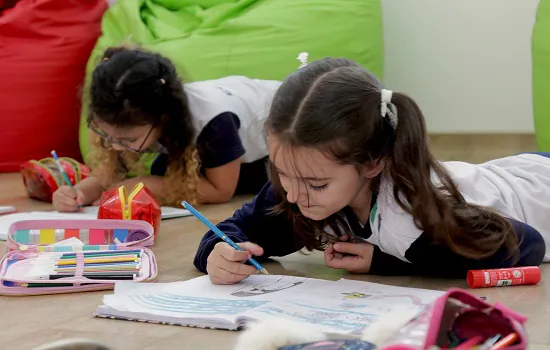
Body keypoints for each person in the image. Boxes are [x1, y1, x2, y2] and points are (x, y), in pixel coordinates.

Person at [193, 57, 548, 285]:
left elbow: (525, 245)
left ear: (373, 163)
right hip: (516, 172)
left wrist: (390, 262)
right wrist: (217, 252)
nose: (295, 194)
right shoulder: (302, 185)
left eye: (316, 184)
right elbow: (238, 229)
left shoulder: (411, 215)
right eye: (282, 172)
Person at [52, 47, 281, 211]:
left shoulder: (216, 122)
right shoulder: (129, 121)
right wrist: (80, 192)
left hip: (280, 145)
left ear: (163, 119)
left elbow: (221, 191)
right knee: (164, 172)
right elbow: (113, 171)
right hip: (203, 141)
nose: (113, 145)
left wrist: (146, 184)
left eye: (125, 139)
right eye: (105, 135)